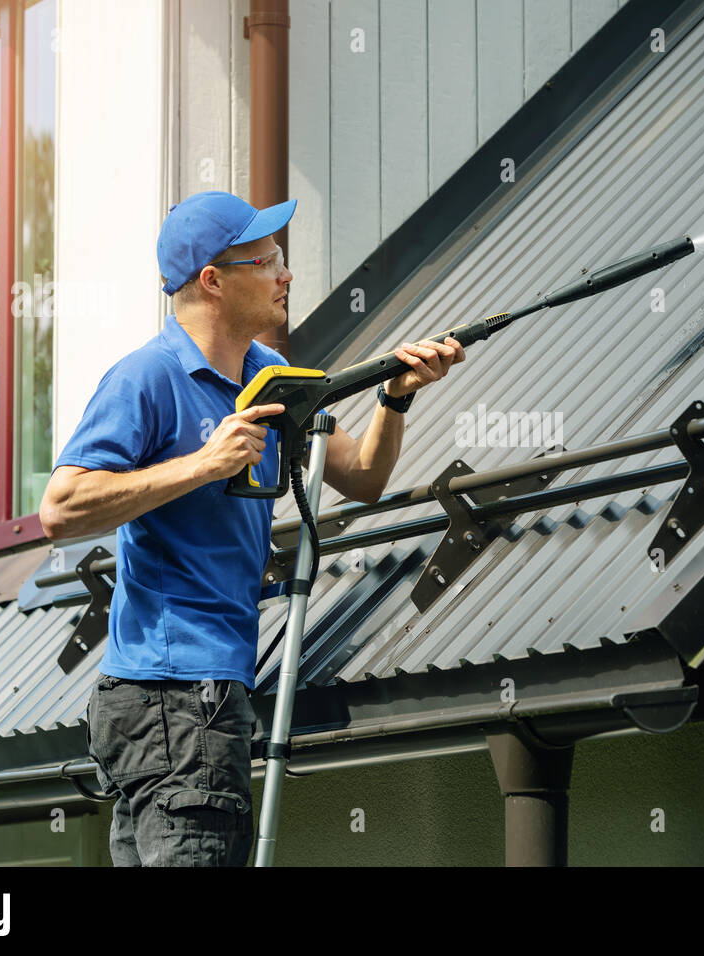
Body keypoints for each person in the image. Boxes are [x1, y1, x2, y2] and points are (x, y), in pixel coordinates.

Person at [39, 190, 464, 866]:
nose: (286, 276)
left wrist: (395, 396)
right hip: (174, 697)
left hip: (195, 697)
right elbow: (61, 509)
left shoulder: (271, 378)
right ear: (214, 280)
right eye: (269, 261)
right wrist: (203, 465)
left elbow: (361, 476)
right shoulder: (147, 378)